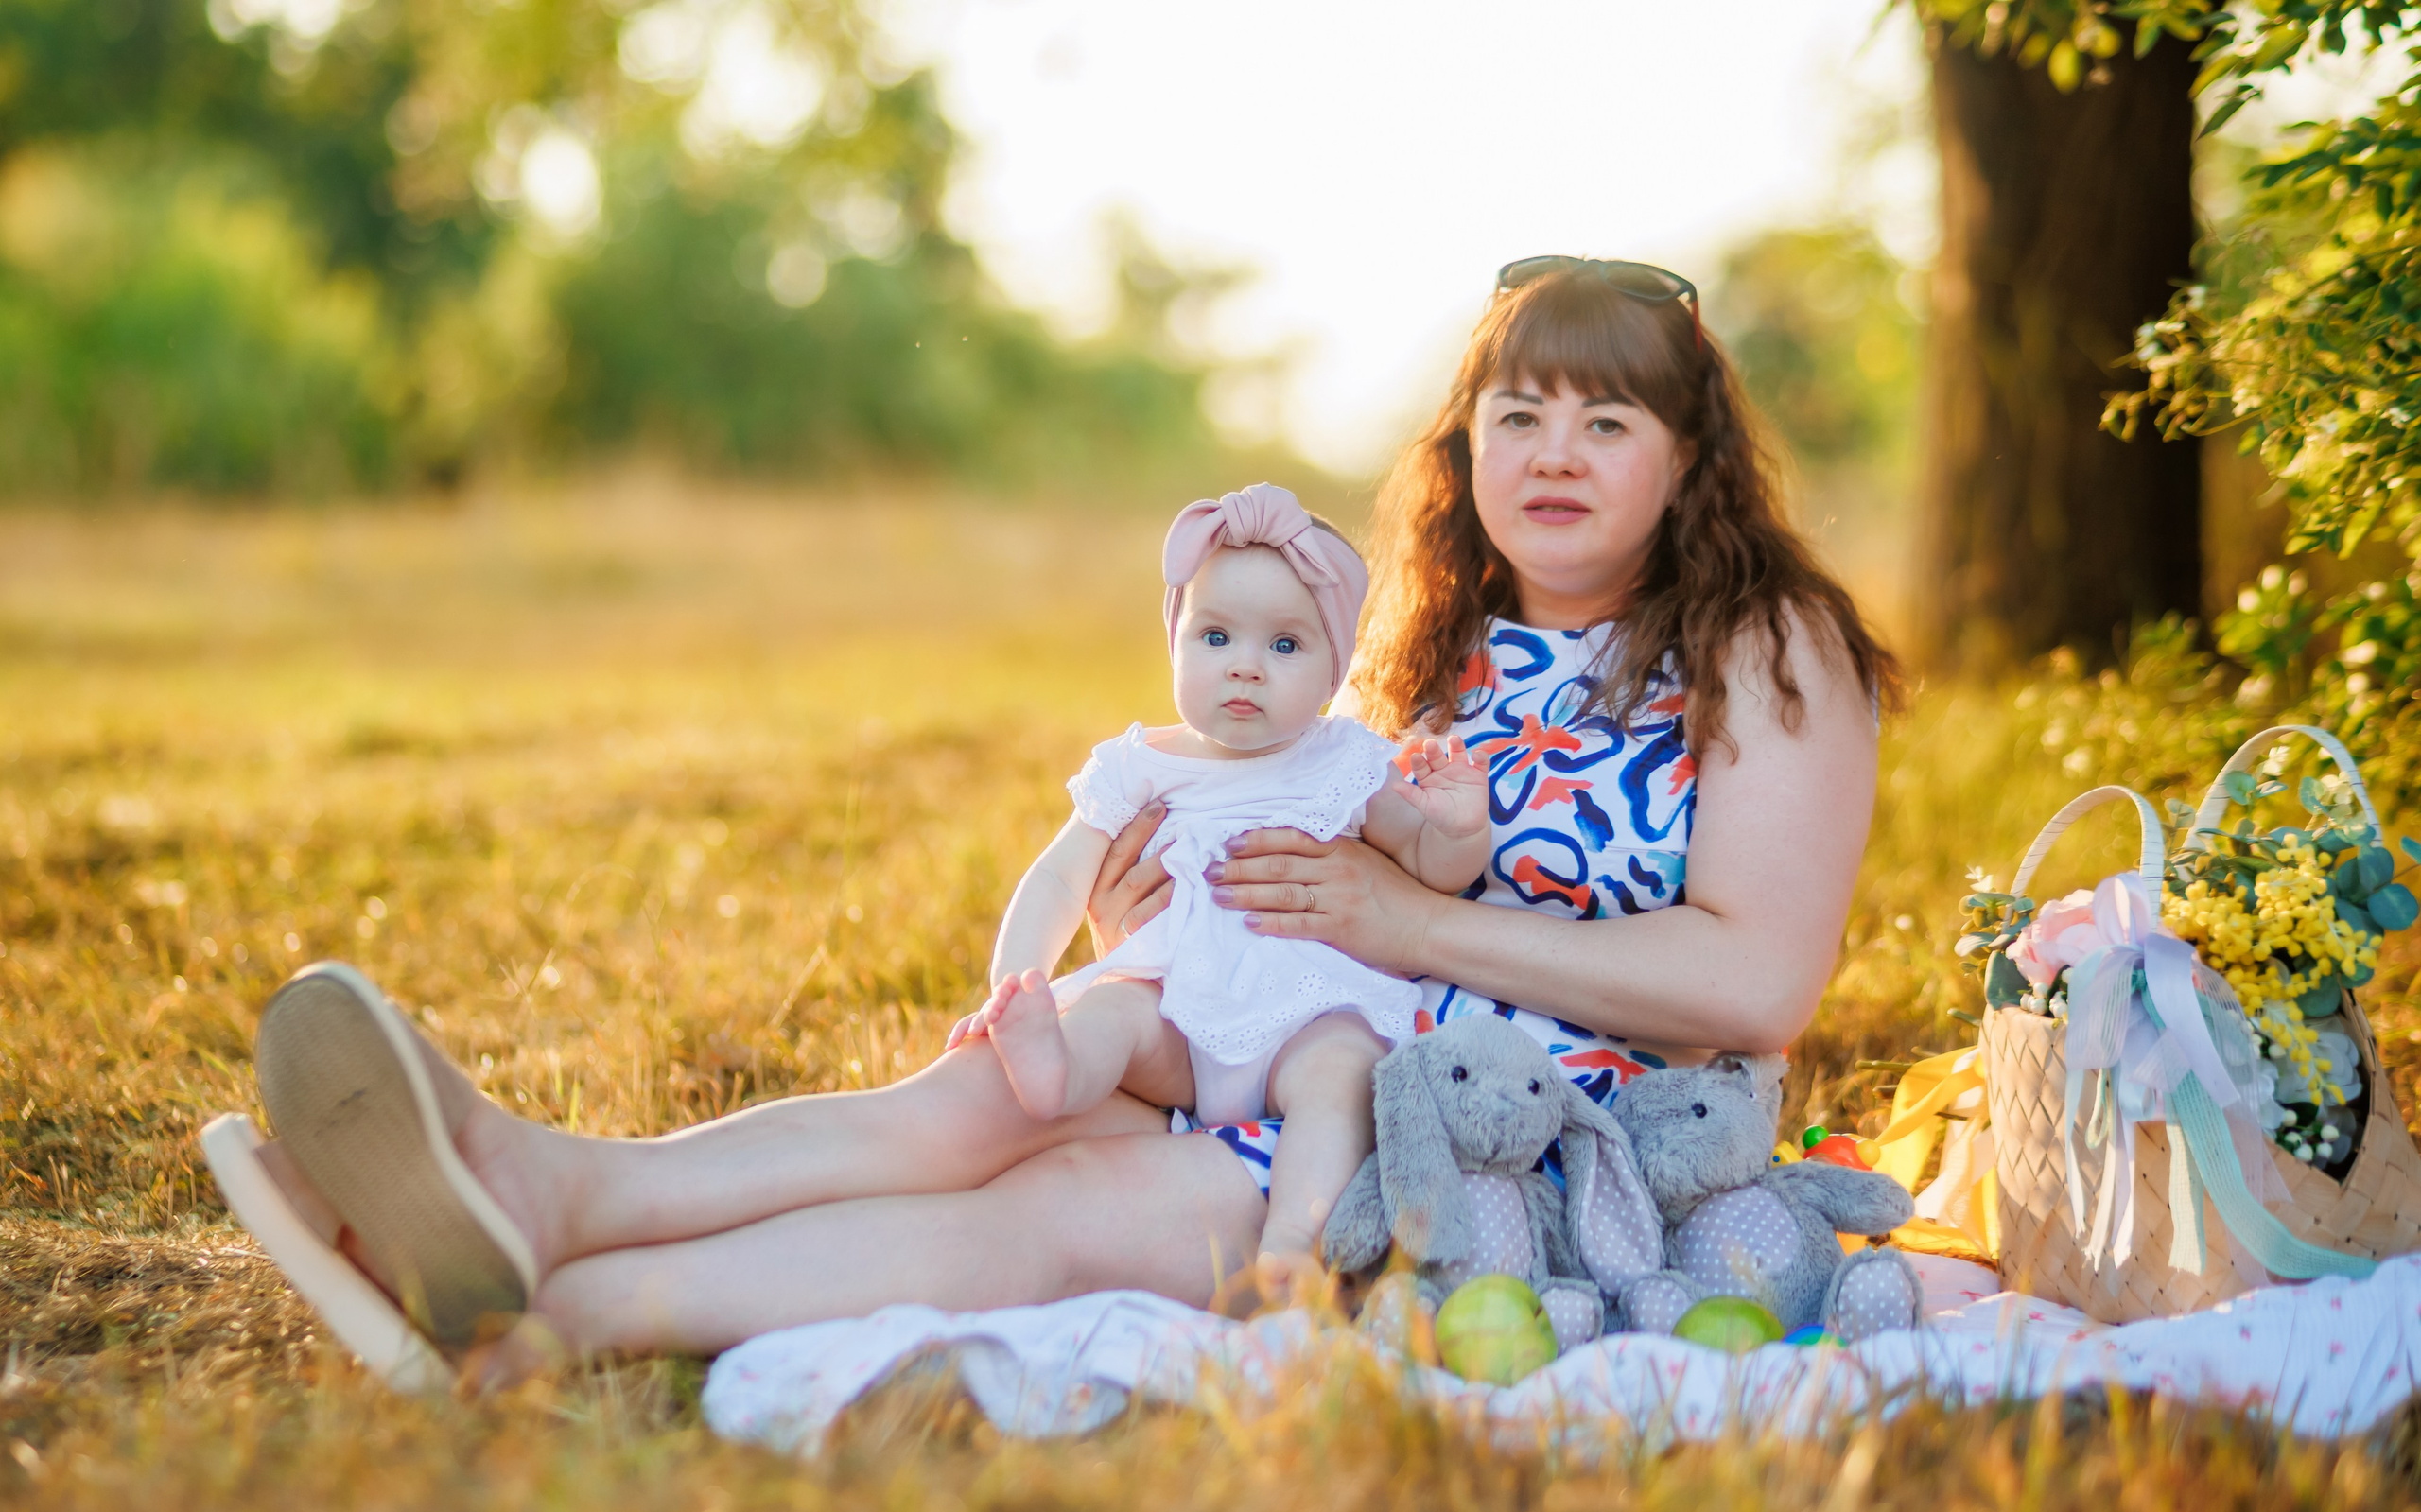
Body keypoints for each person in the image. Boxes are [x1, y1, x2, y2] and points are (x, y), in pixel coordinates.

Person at [205, 255, 1900, 1382]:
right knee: (979, 1100)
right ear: (1464, 449)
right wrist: (1155, 927)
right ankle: (541, 1184)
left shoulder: (1767, 644)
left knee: (1053, 1219)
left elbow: (1755, 984)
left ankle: (539, 1321)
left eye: (1609, 418)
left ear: (1692, 458)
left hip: (1500, 1150)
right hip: (1311, 1038)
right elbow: (1319, 854)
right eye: (1517, 413)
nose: (1555, 449)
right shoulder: (1436, 643)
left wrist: (1409, 927)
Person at [949, 481, 1489, 1287]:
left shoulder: (1343, 759)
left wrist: (1459, 827)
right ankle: (1049, 1062)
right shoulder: (1140, 764)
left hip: (1305, 1007)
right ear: (1173, 642)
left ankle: (1287, 1247)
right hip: (1175, 1010)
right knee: (1113, 1011)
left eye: (1283, 646)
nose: (1244, 664)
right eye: (1214, 636)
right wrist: (1016, 980)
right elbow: (1060, 876)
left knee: (1339, 1074)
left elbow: (1427, 862)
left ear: (1333, 672)